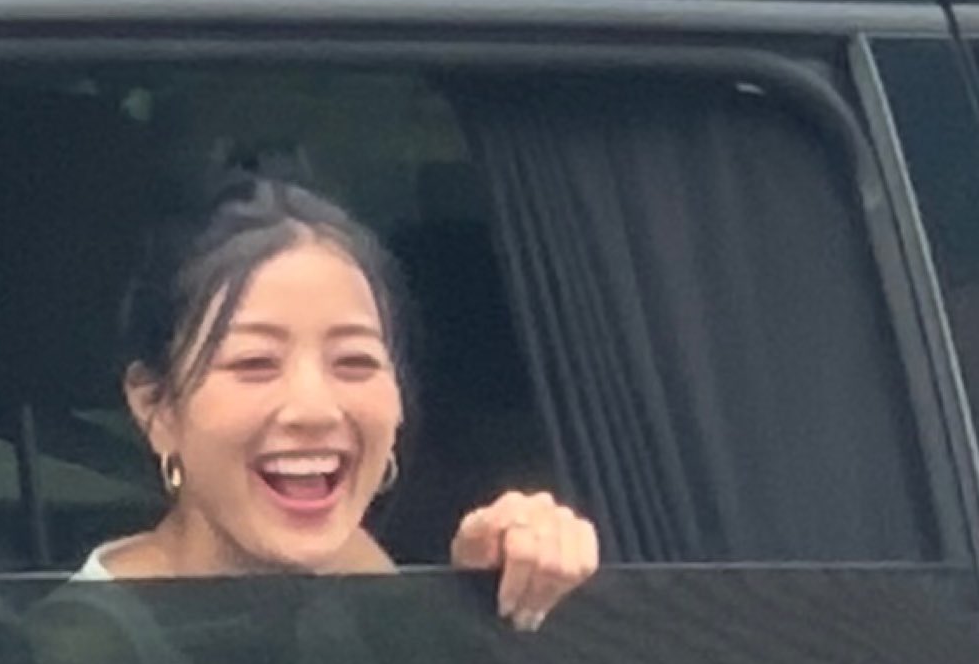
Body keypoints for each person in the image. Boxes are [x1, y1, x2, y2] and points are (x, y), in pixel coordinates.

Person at [78, 176, 599, 632]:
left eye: (354, 362)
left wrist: (489, 595)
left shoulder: (354, 571)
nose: (316, 410)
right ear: (155, 407)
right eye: (255, 363)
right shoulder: (83, 651)